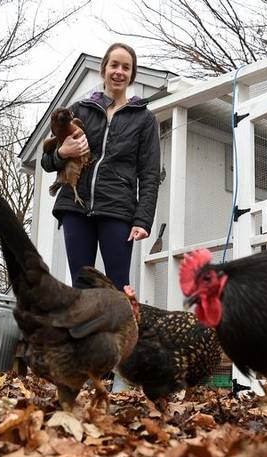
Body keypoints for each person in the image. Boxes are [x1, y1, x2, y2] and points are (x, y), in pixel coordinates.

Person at [41, 43, 160, 291]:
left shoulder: (144, 118)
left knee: (118, 288)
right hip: (75, 206)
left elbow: (149, 174)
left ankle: (119, 331)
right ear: (103, 69)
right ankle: (82, 331)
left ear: (132, 75)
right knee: (82, 287)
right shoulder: (78, 110)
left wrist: (143, 220)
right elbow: (46, 161)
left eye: (126, 67)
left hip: (118, 209)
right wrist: (63, 153)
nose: (119, 71)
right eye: (114, 65)